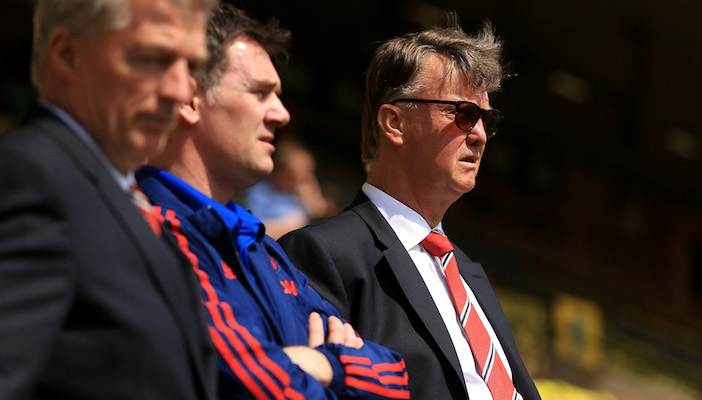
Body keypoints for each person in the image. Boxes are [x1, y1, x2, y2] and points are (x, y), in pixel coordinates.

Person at [135, 4, 409, 399]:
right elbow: (266, 390)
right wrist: (338, 369)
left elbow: (396, 381)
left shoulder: (264, 248)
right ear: (189, 98)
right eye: (260, 92)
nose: (281, 114)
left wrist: (320, 363)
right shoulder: (149, 230)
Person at [279, 15, 542, 400]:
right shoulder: (324, 254)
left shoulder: (469, 273)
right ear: (395, 123)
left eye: (488, 119)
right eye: (463, 114)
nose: (481, 135)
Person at [0, 0, 217, 399]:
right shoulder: (32, 178)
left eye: (190, 67)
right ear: (67, 55)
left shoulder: (117, 196)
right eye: (153, 58)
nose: (180, 90)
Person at [239, 136, 338, 238]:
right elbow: (253, 229)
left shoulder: (304, 195)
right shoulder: (261, 192)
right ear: (279, 173)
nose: (303, 182)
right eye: (296, 176)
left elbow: (327, 217)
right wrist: (292, 225)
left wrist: (315, 202)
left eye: (308, 175)